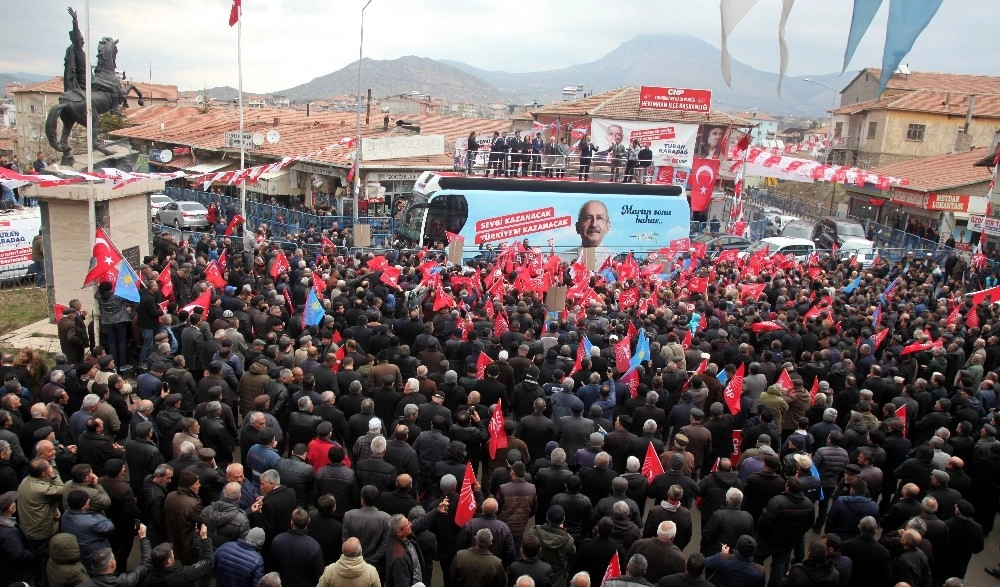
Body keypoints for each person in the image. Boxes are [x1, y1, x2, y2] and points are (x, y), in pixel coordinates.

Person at [140, 522, 215, 587]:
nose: (173, 555)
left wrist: (143, 538)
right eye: (172, 553)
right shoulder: (182, 575)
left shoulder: (148, 578)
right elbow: (207, 562)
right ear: (169, 561)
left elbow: (145, 559)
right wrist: (204, 537)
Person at [78, 524, 152, 587]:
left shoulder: (83, 585)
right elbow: (146, 564)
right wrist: (143, 538)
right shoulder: (126, 581)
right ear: (112, 564)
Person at [270, 507, 324, 587]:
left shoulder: (278, 540)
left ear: (291, 522)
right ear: (308, 521)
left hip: (282, 583)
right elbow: (319, 573)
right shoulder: (313, 546)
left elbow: (271, 565)